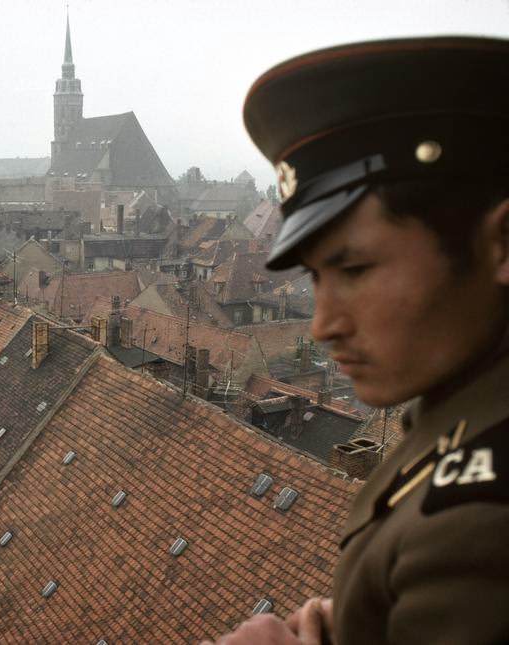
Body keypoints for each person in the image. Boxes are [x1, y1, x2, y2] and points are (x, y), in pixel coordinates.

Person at [207, 36, 509, 644]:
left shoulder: (481, 527)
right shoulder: (457, 408)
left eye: (355, 270)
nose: (322, 325)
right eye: (316, 278)